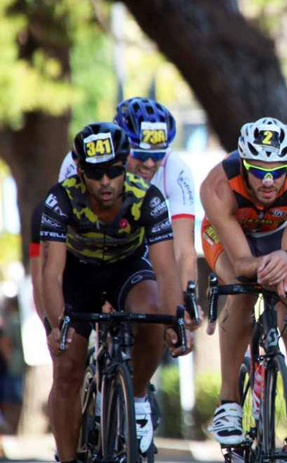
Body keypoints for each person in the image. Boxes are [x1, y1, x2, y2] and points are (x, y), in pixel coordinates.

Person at [41, 122, 193, 463]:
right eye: (96, 174)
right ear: (80, 170)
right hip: (77, 274)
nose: (106, 182)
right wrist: (56, 325)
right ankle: (67, 458)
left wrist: (175, 320)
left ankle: (137, 397)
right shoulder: (61, 198)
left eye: (113, 171)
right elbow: (51, 273)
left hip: (127, 267)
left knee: (154, 315)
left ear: (124, 164)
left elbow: (166, 269)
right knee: (66, 369)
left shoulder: (147, 198)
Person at [200, 117, 287, 456]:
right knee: (240, 287)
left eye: (278, 171)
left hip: (281, 241)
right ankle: (229, 401)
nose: (269, 181)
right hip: (231, 240)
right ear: (243, 164)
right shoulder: (219, 185)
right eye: (259, 171)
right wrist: (271, 265)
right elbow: (241, 262)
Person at [58, 97, 196, 289]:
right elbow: (64, 238)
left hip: (136, 248)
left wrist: (186, 300)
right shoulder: (81, 163)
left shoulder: (176, 169)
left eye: (158, 155)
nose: (149, 163)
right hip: (87, 246)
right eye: (140, 153)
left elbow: (184, 251)